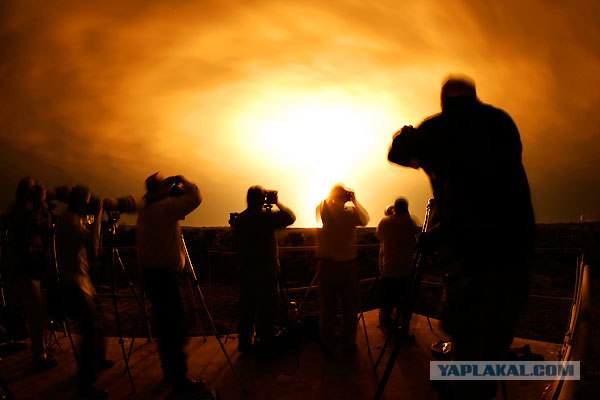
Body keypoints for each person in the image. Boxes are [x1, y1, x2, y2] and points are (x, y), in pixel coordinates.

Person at [388, 76, 535, 399]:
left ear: (444, 102)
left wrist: (409, 133)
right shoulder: (500, 123)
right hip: (513, 255)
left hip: (473, 265)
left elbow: (396, 153)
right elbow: (483, 199)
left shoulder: (439, 132)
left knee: (468, 335)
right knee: (490, 342)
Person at [136, 172, 206, 393]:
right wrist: (183, 179)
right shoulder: (163, 209)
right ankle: (179, 380)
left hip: (152, 275)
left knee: (166, 328)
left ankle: (170, 371)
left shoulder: (148, 210)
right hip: (164, 277)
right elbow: (195, 198)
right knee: (174, 328)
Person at [55, 185, 112, 398]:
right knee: (91, 330)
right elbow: (94, 248)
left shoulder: (72, 220)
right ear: (80, 202)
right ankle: (85, 387)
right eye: (88, 201)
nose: (90, 204)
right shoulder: (70, 221)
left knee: (100, 324)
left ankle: (97, 361)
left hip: (82, 282)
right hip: (75, 283)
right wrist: (98, 215)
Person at [229, 186, 296, 356]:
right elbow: (290, 217)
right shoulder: (264, 218)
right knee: (267, 310)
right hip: (266, 272)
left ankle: (245, 344)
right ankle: (264, 343)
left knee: (247, 310)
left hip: (245, 272)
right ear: (260, 199)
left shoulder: (240, 220)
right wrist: (276, 202)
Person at [4, 177, 57, 369]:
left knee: (36, 311)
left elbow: (43, 229)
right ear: (26, 192)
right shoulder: (23, 211)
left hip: (29, 268)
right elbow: (36, 226)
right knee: (36, 313)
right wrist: (40, 203)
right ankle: (39, 356)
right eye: (33, 188)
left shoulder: (25, 209)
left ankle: (39, 349)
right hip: (25, 269)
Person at [315, 185, 369, 355]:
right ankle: (347, 344)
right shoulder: (349, 214)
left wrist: (336, 197)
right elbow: (365, 219)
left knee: (327, 308)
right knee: (350, 308)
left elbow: (322, 209)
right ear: (344, 197)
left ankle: (327, 344)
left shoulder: (323, 209)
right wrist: (355, 200)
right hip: (347, 266)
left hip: (326, 265)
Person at [376, 197, 419, 333]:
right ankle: (403, 327)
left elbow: (379, 235)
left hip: (388, 269)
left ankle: (387, 328)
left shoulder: (385, 222)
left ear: (394, 208)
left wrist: (390, 215)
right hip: (406, 270)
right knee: (404, 302)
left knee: (387, 302)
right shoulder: (411, 223)